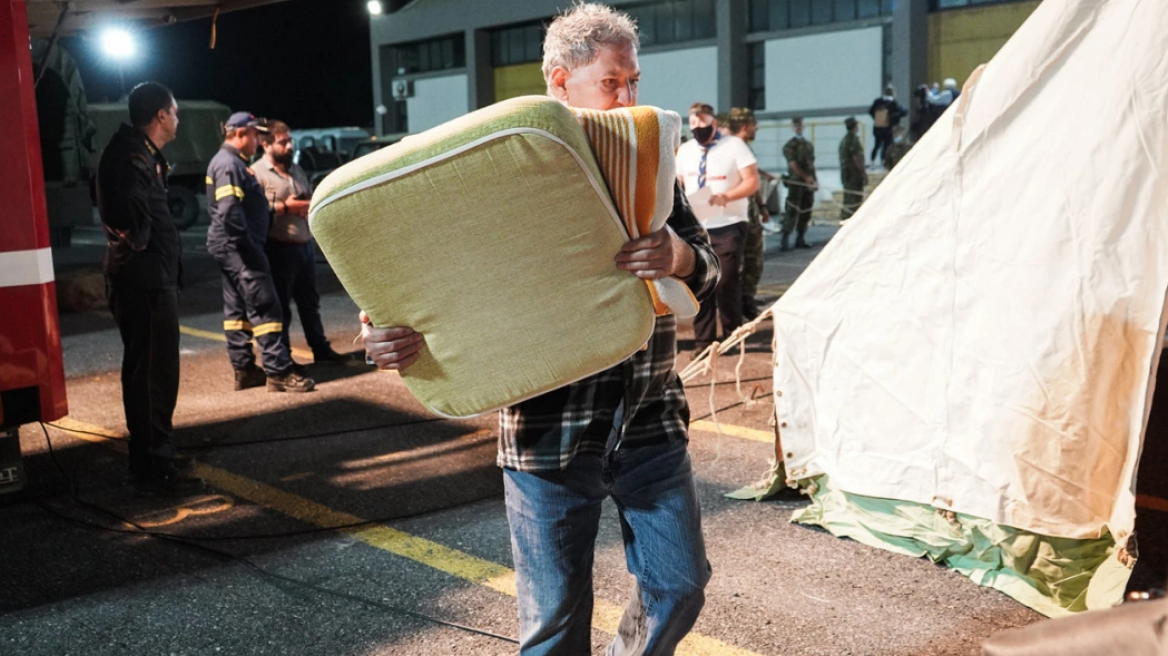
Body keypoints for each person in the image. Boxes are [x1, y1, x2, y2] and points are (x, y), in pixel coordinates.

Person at [363, 4, 719, 654]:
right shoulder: (501, 167)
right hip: (545, 439)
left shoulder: (650, 160)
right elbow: (428, 271)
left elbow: (709, 271)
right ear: (559, 81)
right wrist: (383, 334)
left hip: (650, 423)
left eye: (634, 80)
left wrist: (680, 256)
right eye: (614, 82)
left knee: (680, 584)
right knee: (553, 624)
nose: (631, 96)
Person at [96, 81, 204, 496]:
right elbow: (131, 222)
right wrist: (139, 238)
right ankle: (153, 464)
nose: (177, 119)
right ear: (161, 115)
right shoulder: (130, 156)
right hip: (142, 281)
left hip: (149, 278)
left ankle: (156, 454)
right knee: (151, 375)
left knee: (156, 371)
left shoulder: (138, 153)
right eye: (174, 112)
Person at [206, 112, 315, 393]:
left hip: (229, 247)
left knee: (237, 310)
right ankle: (278, 372)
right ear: (241, 134)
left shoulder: (228, 163)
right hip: (240, 249)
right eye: (256, 135)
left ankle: (244, 369)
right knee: (266, 305)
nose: (258, 140)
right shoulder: (230, 164)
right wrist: (250, 246)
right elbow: (230, 211)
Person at [253, 120, 347, 367]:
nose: (289, 145)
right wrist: (285, 208)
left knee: (310, 303)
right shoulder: (257, 174)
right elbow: (255, 211)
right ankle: (283, 357)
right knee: (281, 308)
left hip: (304, 246)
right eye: (283, 142)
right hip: (279, 248)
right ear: (266, 145)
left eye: (290, 140)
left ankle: (320, 348)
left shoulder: (296, 170)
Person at [677, 103, 760, 354]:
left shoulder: (734, 146)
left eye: (704, 124)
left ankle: (732, 336)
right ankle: (703, 344)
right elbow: (680, 182)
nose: (699, 129)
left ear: (714, 123)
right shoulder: (686, 151)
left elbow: (752, 181)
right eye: (694, 125)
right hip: (696, 225)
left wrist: (727, 196)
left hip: (728, 223)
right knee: (700, 283)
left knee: (726, 283)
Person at [725, 107, 772, 321]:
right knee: (737, 262)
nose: (756, 128)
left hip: (751, 213)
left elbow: (753, 183)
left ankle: (747, 300)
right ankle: (736, 306)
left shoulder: (744, 149)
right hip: (736, 215)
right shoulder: (728, 150)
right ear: (744, 127)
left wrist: (762, 208)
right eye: (754, 125)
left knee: (754, 259)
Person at [781, 117, 817, 251]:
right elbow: (793, 165)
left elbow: (812, 165)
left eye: (800, 126)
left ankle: (800, 238)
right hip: (796, 183)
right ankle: (785, 239)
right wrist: (806, 177)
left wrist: (814, 179)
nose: (798, 128)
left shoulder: (808, 145)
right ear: (792, 128)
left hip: (808, 183)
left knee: (806, 210)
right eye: (796, 126)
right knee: (791, 210)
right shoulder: (790, 146)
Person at [868, 85, 906, 167]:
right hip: (888, 128)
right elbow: (903, 112)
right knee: (886, 145)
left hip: (877, 127)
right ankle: (883, 162)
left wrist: (877, 118)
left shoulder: (877, 101)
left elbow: (870, 111)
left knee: (877, 145)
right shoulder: (893, 103)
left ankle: (872, 161)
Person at [839, 117, 867, 220]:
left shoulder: (844, 141)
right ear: (855, 126)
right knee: (854, 202)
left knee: (848, 200)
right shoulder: (853, 140)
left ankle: (845, 220)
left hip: (847, 175)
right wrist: (864, 174)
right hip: (854, 176)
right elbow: (857, 159)